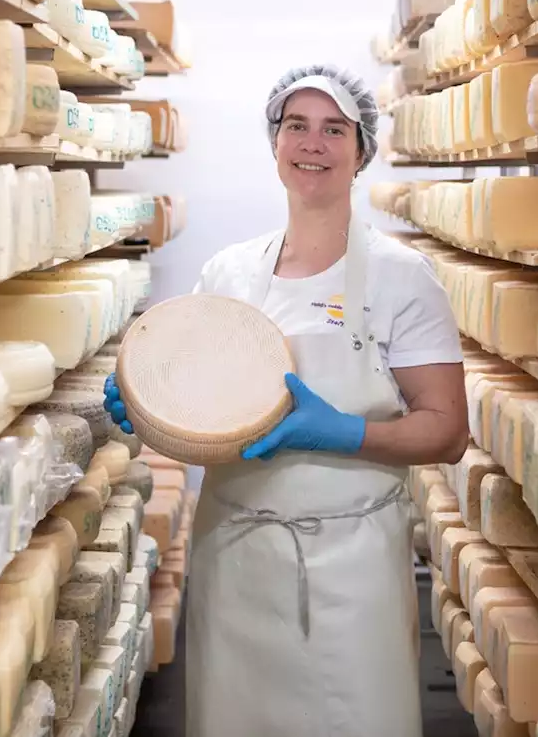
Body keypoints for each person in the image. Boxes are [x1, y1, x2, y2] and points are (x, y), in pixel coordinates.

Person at [103, 64, 468, 737]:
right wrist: (149, 410)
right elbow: (203, 415)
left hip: (350, 564)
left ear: (361, 150)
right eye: (296, 126)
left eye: (334, 129)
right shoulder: (229, 272)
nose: (313, 143)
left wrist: (346, 433)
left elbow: (447, 430)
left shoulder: (401, 277)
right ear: (274, 145)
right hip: (235, 554)